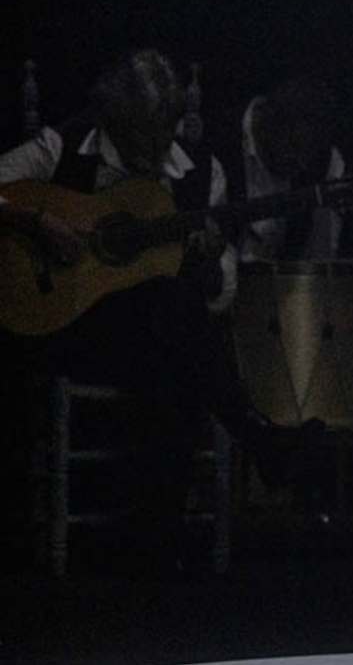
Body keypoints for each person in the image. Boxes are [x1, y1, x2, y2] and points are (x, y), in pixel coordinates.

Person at [0, 48, 279, 571]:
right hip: (73, 329)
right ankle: (251, 437)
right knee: (175, 333)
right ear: (113, 121)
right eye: (139, 130)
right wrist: (39, 220)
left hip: (153, 342)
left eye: (163, 128)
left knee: (172, 317)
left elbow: (222, 295)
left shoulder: (201, 175)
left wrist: (205, 260)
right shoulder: (64, 145)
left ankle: (148, 543)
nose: (154, 144)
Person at [236, 74, 347, 263]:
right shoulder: (216, 137)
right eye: (294, 147)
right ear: (266, 124)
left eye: (309, 155)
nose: (301, 164)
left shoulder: (325, 162)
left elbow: (320, 260)